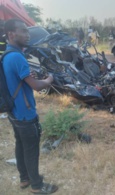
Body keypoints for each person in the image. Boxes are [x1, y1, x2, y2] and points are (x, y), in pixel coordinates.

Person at [3, 19, 58, 194]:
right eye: (24, 31)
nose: (28, 35)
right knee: (31, 150)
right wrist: (49, 79)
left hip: (14, 112)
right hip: (25, 114)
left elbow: (21, 78)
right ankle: (37, 186)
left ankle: (24, 180)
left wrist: (29, 76)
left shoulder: (7, 54)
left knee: (20, 146)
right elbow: (36, 85)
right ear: (12, 34)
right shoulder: (18, 57)